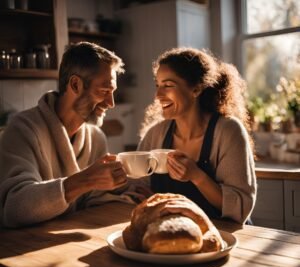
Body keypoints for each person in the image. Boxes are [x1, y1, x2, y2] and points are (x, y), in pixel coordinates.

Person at [0, 42, 133, 228]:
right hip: (23, 247)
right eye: (104, 91)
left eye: (113, 93)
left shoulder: (95, 138)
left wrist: (127, 191)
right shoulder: (23, 129)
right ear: (75, 84)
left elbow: (97, 201)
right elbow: (15, 208)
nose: (111, 103)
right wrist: (85, 180)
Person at [138, 47, 257, 224]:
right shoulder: (155, 134)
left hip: (223, 234)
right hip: (170, 231)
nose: (158, 95)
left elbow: (241, 208)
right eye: (158, 85)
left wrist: (196, 176)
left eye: (168, 85)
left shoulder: (228, 131)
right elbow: (137, 188)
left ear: (196, 89)